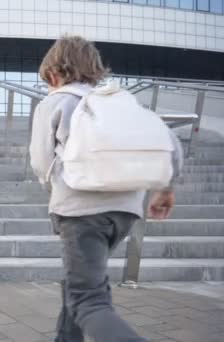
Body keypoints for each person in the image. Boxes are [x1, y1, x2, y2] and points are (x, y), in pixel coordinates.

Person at [29, 36, 183, 342]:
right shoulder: (119, 102)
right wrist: (165, 189)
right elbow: (170, 144)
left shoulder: (56, 101)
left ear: (53, 74)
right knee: (83, 281)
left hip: (81, 213)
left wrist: (55, 187)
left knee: (88, 299)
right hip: (124, 212)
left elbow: (40, 161)